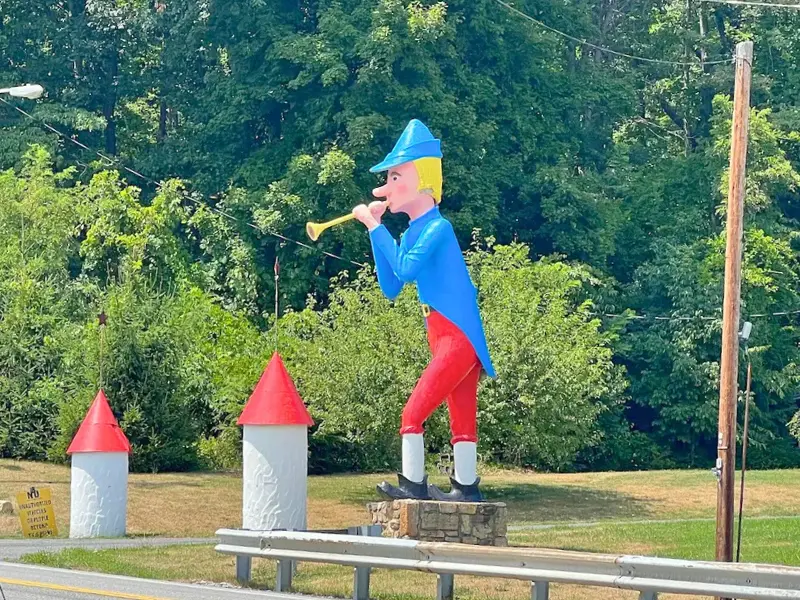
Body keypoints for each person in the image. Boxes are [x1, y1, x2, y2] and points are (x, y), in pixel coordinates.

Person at [351, 119, 496, 502]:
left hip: (457, 335)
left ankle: (413, 484)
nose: (386, 188)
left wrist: (373, 226)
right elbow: (392, 286)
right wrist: (374, 232)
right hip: (442, 335)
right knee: (462, 416)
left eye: (396, 176)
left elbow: (406, 269)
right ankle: (467, 488)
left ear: (422, 179)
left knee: (411, 415)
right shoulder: (412, 232)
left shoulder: (438, 229)